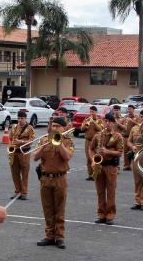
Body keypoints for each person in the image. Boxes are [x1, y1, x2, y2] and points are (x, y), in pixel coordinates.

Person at [34, 116, 74, 248]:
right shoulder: (44, 139)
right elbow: (35, 157)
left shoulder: (67, 141)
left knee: (59, 209)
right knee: (48, 209)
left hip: (60, 179)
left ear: (63, 128)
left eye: (57, 126)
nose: (54, 128)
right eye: (53, 125)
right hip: (45, 178)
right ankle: (49, 235)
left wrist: (59, 143)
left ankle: (59, 236)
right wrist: (44, 147)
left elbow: (67, 157)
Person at [89, 113, 124, 224]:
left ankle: (110, 215)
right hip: (99, 166)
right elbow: (91, 149)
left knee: (110, 191)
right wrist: (93, 160)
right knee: (100, 191)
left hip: (111, 166)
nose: (107, 123)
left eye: (109, 121)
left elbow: (120, 153)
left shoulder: (118, 136)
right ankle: (101, 214)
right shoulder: (98, 135)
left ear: (113, 123)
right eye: (105, 121)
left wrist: (108, 151)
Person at [128, 109, 143, 211]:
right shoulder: (134, 128)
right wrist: (132, 146)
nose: (142, 118)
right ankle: (137, 201)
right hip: (136, 156)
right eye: (141, 117)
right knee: (137, 181)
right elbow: (129, 141)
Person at [9, 110, 35, 200]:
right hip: (14, 152)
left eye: (22, 118)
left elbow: (31, 141)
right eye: (19, 118)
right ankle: (17, 191)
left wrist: (21, 141)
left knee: (24, 173)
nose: (20, 120)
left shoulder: (30, 128)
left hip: (24, 152)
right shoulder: (14, 127)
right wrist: (9, 147)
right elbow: (10, 138)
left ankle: (24, 192)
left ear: (25, 118)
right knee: (14, 173)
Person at [80, 106, 103, 180]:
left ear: (96, 112)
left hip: (96, 141)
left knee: (95, 158)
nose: (91, 113)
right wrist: (86, 125)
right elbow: (82, 129)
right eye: (90, 111)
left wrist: (93, 122)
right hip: (87, 141)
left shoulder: (99, 120)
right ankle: (90, 175)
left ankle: (96, 174)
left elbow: (100, 129)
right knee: (88, 159)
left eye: (93, 112)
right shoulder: (86, 120)